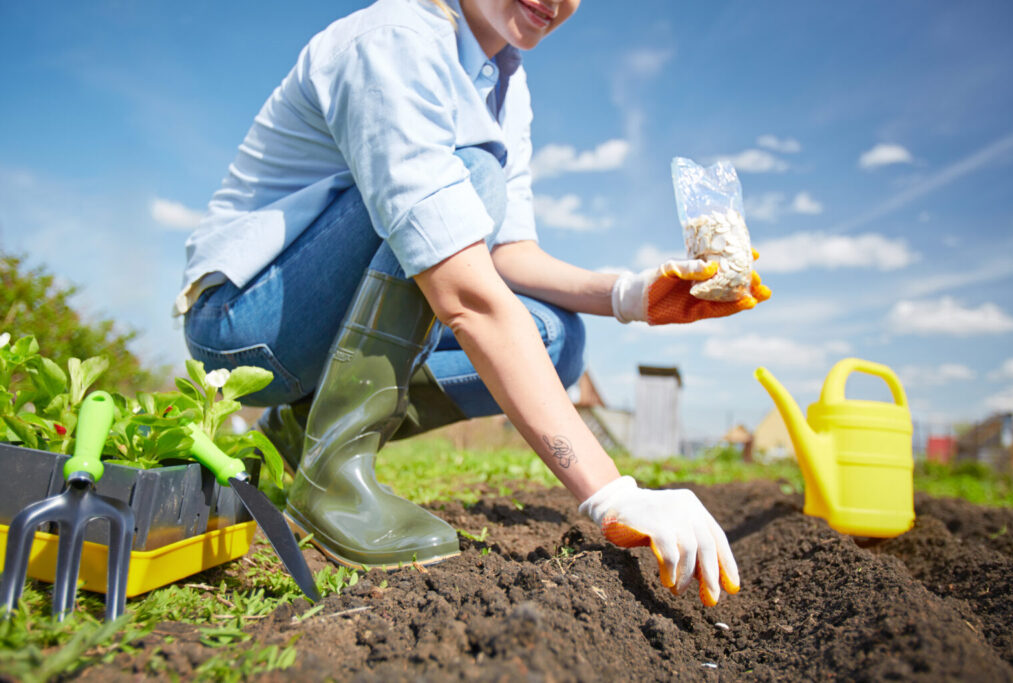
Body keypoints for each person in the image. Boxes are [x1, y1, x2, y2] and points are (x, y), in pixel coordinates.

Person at [176, 0, 770, 606]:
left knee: (557, 338)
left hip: (321, 315)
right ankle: (334, 480)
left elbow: (507, 251)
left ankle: (302, 434)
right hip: (245, 326)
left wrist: (633, 296)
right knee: (474, 174)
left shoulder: (506, 82)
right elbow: (465, 292)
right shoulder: (395, 39)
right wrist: (611, 494)